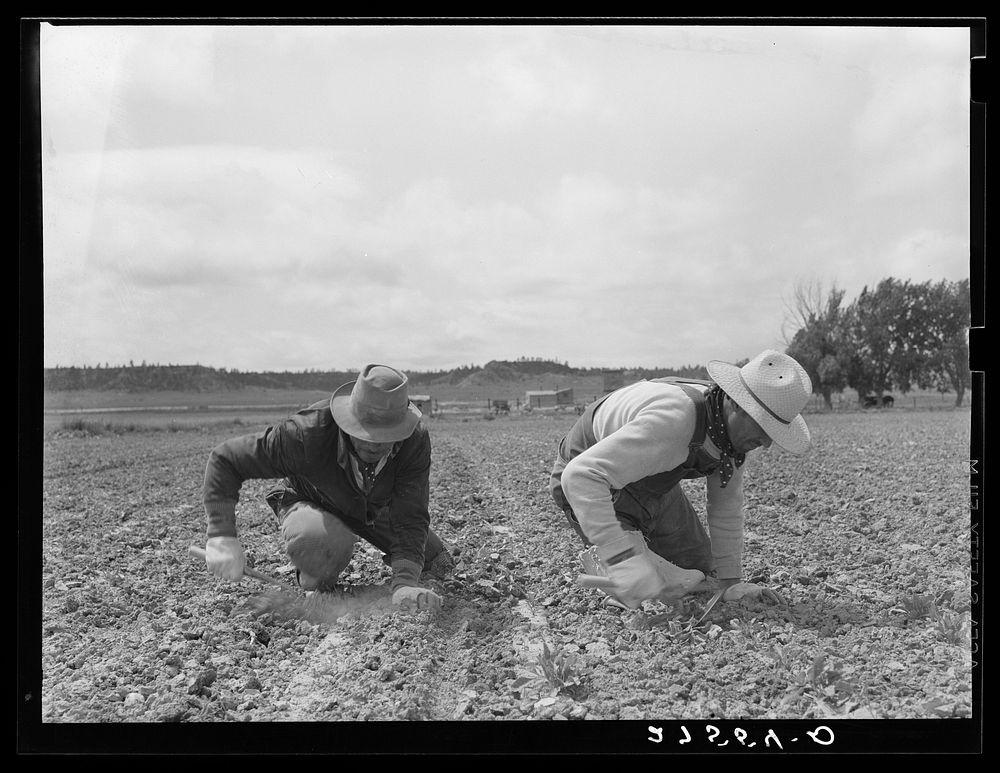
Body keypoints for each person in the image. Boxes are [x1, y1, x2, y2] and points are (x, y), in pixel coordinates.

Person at [549, 349, 812, 610]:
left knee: (699, 572)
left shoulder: (731, 439)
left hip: (651, 486)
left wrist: (731, 584)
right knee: (649, 588)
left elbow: (726, 511)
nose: (766, 443)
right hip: (596, 484)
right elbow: (580, 476)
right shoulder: (676, 420)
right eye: (764, 428)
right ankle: (614, 570)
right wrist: (620, 556)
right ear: (736, 404)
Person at [200, 363, 453, 612]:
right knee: (322, 545)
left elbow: (411, 516)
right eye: (365, 433)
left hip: (371, 507)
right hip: (312, 498)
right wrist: (221, 536)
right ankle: (314, 574)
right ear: (348, 420)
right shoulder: (306, 434)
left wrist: (405, 585)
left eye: (386, 436)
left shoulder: (414, 441)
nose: (374, 444)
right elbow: (226, 460)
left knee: (435, 560)